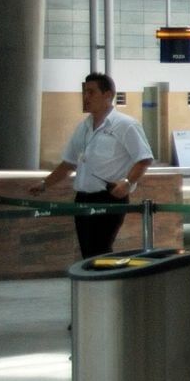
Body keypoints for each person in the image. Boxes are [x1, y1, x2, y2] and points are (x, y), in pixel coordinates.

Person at [31, 72, 155, 258]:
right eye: (84, 92)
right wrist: (44, 184)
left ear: (108, 95)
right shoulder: (83, 127)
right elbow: (68, 163)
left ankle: (104, 285)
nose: (86, 97)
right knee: (88, 253)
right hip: (82, 199)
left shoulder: (126, 125)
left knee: (100, 251)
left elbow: (144, 158)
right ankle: (94, 285)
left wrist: (128, 182)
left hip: (109, 198)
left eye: (91, 92)